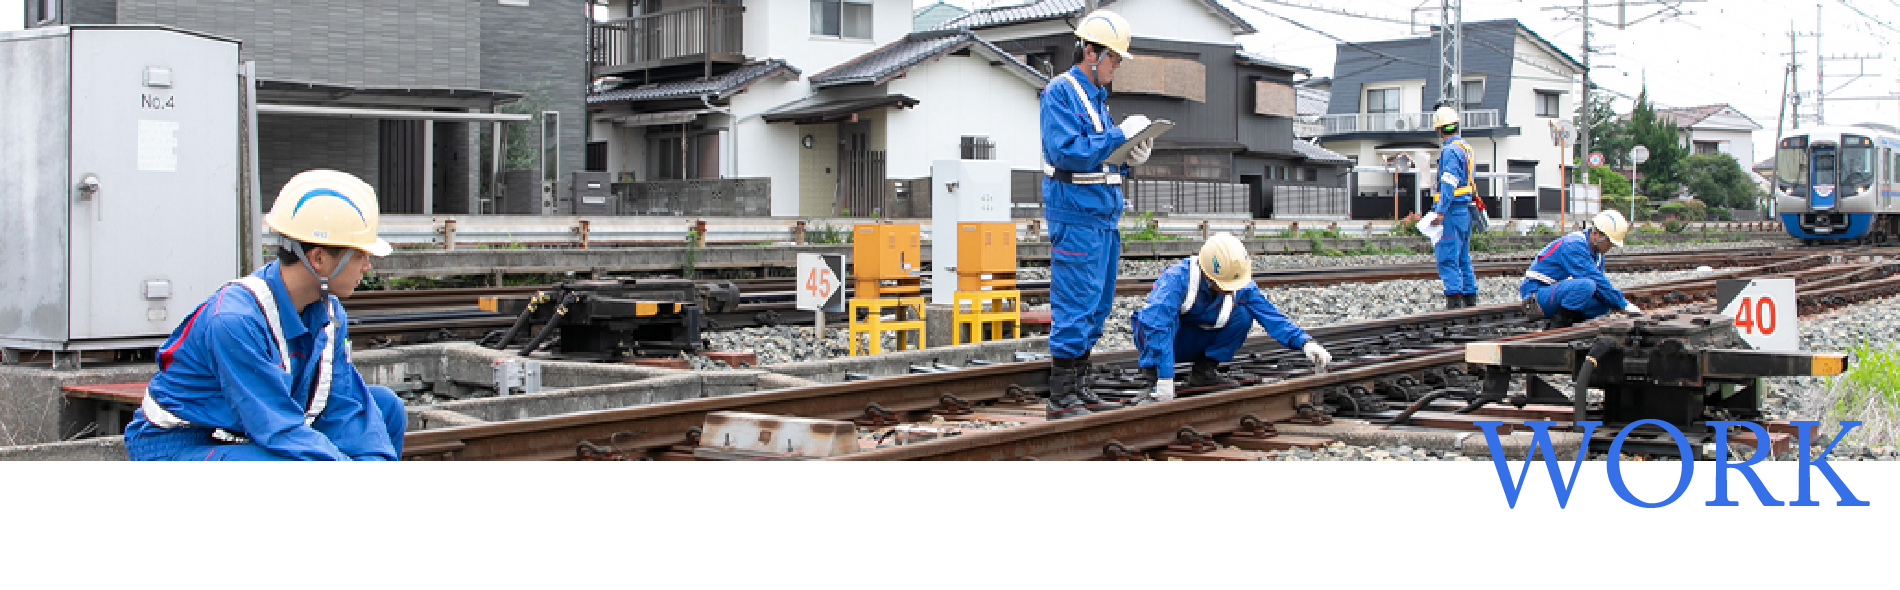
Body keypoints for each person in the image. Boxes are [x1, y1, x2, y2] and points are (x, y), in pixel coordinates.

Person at [125, 170, 406, 460]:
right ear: (319, 258)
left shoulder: (328, 313)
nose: (367, 266)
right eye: (360, 254)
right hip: (182, 443)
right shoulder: (235, 321)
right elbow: (276, 427)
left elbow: (344, 405)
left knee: (385, 408)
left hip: (246, 430)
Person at [1040, 9, 1154, 419]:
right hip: (1076, 216)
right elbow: (1066, 151)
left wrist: (1127, 157)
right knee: (1075, 301)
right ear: (1090, 52)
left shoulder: (1097, 100)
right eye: (1114, 58)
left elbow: (1097, 157)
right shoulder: (1061, 92)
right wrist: (1118, 136)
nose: (1117, 66)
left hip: (1102, 218)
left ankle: (1079, 384)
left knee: (1097, 302)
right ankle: (1061, 394)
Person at [1131, 233, 1332, 403]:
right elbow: (1156, 324)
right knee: (1159, 320)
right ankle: (1152, 378)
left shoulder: (1239, 283)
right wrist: (1165, 378)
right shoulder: (1177, 279)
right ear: (1208, 274)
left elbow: (1270, 316)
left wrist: (1305, 343)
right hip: (1168, 340)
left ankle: (1204, 374)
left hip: (1197, 338)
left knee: (1243, 317)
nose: (1230, 290)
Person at [1519, 210, 1642, 328]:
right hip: (1536, 295)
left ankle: (1570, 322)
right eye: (1609, 242)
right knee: (1586, 285)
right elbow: (1595, 280)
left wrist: (1617, 303)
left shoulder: (1597, 253)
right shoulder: (1574, 245)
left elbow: (1600, 287)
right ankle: (1558, 326)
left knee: (1603, 304)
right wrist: (1624, 305)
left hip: (1555, 292)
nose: (1610, 246)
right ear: (1595, 234)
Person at [1426, 105, 1481, 309]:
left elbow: (1448, 183)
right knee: (1463, 256)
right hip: (1464, 211)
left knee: (1447, 256)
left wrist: (1440, 212)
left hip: (1451, 211)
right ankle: (1469, 297)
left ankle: (1454, 300)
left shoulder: (1449, 151)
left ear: (1439, 130)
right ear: (1456, 126)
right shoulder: (1466, 148)